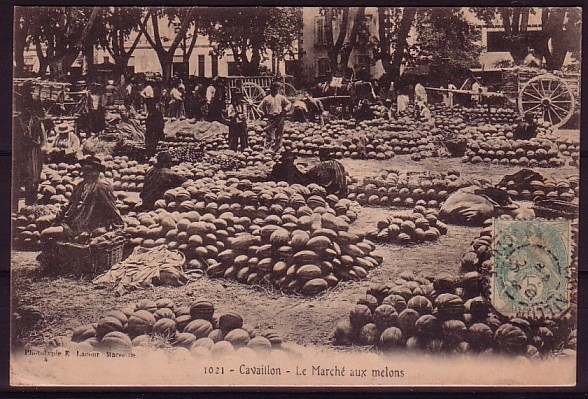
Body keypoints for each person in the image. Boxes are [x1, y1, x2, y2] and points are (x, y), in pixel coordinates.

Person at [42, 156, 124, 239]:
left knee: (45, 233)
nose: (83, 174)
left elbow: (112, 209)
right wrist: (60, 217)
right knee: (42, 222)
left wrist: (117, 229)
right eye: (84, 170)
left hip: (87, 225)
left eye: (88, 171)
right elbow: (70, 204)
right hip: (73, 219)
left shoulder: (102, 187)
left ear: (96, 172)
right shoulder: (81, 185)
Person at [14, 81, 48, 206]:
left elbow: (43, 141)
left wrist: (39, 146)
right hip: (21, 153)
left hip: (32, 152)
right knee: (19, 179)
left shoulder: (37, 122)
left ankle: (30, 206)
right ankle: (17, 207)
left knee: (32, 179)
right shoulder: (17, 121)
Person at [258, 82, 291, 152]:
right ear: (271, 89)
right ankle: (267, 150)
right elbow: (259, 108)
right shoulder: (267, 99)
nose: (275, 91)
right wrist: (263, 114)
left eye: (276, 89)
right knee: (269, 134)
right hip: (271, 117)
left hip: (280, 117)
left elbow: (289, 104)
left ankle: (277, 149)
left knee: (279, 134)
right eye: (273, 89)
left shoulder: (281, 98)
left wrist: (285, 110)